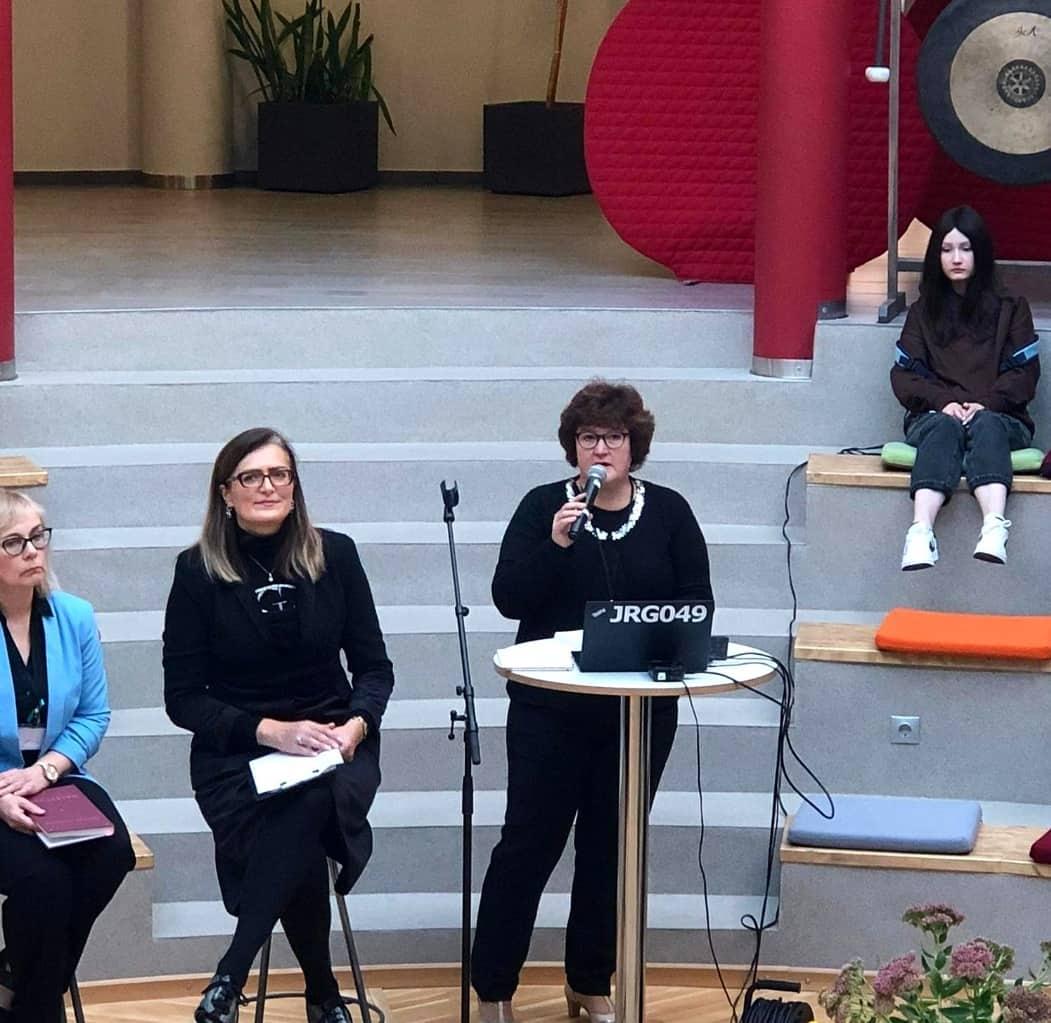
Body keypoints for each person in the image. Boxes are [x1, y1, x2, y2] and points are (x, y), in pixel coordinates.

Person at [470, 381, 713, 1023]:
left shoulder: (670, 512)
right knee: (528, 845)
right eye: (588, 438)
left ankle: (588, 980)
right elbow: (508, 598)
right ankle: (494, 988)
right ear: (572, 448)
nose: (600, 449)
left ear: (635, 446)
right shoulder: (542, 508)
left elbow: (697, 603)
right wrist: (555, 544)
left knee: (612, 850)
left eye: (613, 438)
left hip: (637, 714)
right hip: (549, 713)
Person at [163, 428, 394, 1023]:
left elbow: (374, 669)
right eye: (251, 476)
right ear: (226, 492)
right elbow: (182, 700)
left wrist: (358, 726)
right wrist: (269, 731)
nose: (267, 486)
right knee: (303, 810)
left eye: (279, 474)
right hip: (237, 751)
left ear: (294, 486)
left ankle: (231, 974)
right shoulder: (196, 572)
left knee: (310, 794)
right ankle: (322, 994)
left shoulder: (336, 555)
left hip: (335, 743)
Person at [0, 490, 135, 1023]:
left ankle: (14, 981)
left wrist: (46, 769)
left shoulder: (74, 616)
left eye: (38, 536)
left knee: (113, 853)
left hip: (54, 776)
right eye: (14, 542)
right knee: (45, 882)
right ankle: (37, 1005)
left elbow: (93, 715)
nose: (33, 550)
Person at [892, 205, 1039, 571]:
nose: (956, 258)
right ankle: (920, 532)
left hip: (1001, 416)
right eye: (947, 249)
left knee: (987, 425)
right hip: (935, 417)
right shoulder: (922, 312)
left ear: (980, 252)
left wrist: (986, 403)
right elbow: (905, 376)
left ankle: (994, 527)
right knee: (944, 427)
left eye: (965, 248)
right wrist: (944, 402)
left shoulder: (1012, 308)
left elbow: (1025, 374)